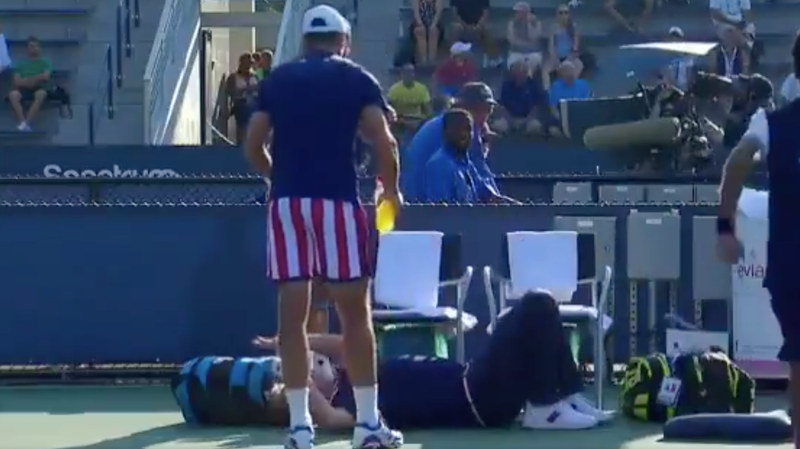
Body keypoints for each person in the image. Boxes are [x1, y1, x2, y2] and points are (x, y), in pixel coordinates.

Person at [243, 5, 403, 449]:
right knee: (355, 314)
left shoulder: (278, 81)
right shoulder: (356, 79)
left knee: (291, 318)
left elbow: (253, 143)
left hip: (287, 206)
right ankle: (368, 426)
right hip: (338, 204)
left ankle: (299, 429)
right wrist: (391, 191)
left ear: (306, 42)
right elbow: (383, 140)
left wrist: (278, 179)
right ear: (344, 41)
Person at [252, 291, 612, 430]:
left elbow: (346, 345)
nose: (314, 359)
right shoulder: (351, 405)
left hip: (478, 379)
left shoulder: (357, 372)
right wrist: (301, 385)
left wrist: (286, 342)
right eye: (308, 366)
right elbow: (329, 420)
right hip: (481, 399)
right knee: (536, 305)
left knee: (544, 307)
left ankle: (564, 395)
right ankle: (545, 407)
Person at [716, 31, 800, 449]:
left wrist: (725, 228)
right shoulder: (773, 123)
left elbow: (736, 162)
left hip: (788, 265)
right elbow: (735, 164)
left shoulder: (770, 123)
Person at [402, 82, 503, 201]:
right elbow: (484, 179)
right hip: (429, 203)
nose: (486, 117)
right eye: (487, 110)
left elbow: (481, 183)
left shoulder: (446, 122)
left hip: (413, 201)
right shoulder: (461, 130)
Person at [423, 109, 480, 202]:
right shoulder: (440, 164)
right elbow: (442, 211)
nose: (463, 134)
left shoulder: (466, 163)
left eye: (468, 129)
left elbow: (485, 193)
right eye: (457, 129)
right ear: (445, 132)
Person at [7, 36, 54, 131]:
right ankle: (23, 123)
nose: (34, 48)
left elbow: (46, 77)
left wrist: (27, 79)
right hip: (23, 88)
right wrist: (36, 78)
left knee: (41, 94)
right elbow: (17, 81)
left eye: (36, 46)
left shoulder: (46, 62)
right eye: (31, 46)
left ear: (40, 48)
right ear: (27, 48)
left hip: (40, 88)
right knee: (13, 95)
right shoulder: (20, 64)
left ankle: (25, 123)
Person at [387, 63, 432, 132]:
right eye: (406, 73)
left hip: (416, 120)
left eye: (411, 72)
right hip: (400, 121)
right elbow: (389, 109)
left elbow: (428, 110)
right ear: (401, 75)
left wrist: (425, 121)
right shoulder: (394, 90)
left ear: (414, 74)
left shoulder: (422, 89)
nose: (408, 75)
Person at [227, 53, 260, 144]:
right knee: (243, 119)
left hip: (254, 105)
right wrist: (245, 90)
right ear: (241, 63)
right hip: (241, 105)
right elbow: (231, 93)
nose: (248, 66)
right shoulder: (233, 77)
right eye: (247, 63)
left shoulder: (255, 76)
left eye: (250, 64)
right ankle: (241, 145)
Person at [506, 2, 544, 74]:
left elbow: (533, 38)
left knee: (531, 65)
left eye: (519, 12)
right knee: (514, 67)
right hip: (516, 53)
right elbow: (512, 40)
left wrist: (529, 24)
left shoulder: (537, 23)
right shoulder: (512, 23)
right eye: (516, 12)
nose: (516, 14)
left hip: (533, 53)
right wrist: (527, 44)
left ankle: (528, 79)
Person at [410, 0, 443, 65]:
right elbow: (416, 13)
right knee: (420, 31)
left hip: (434, 23)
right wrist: (421, 24)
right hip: (419, 22)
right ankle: (423, 62)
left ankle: (431, 62)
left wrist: (433, 25)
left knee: (434, 32)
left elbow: (438, 14)